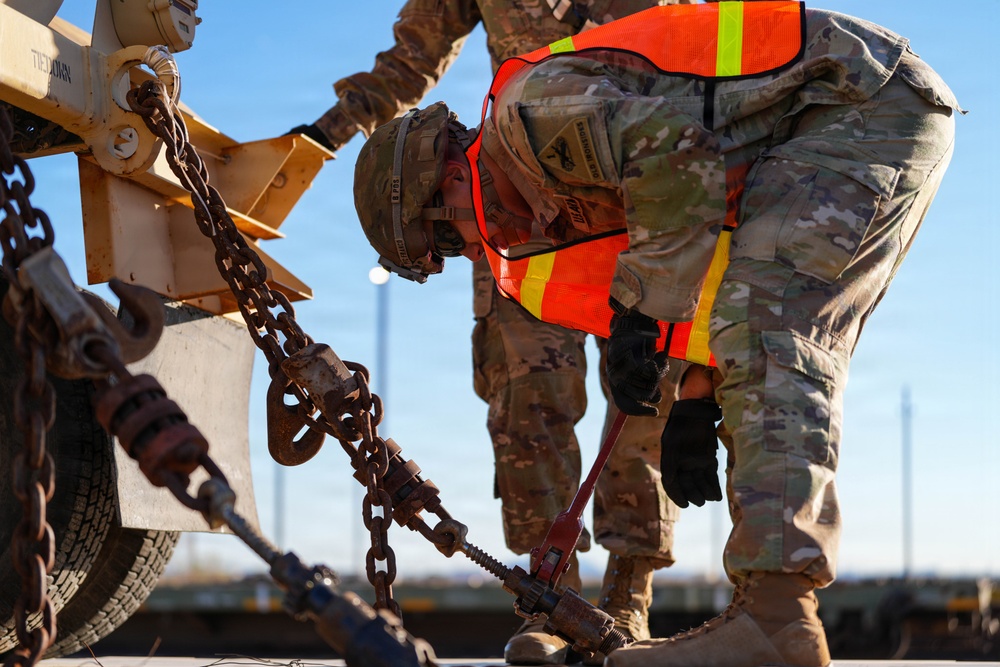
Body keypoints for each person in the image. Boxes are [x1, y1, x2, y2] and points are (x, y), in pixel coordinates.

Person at [351, 2, 960, 666]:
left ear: (444, 182)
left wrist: (642, 309)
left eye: (445, 238)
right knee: (768, 328)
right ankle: (773, 618)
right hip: (843, 113)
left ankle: (776, 622)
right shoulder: (558, 194)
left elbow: (679, 149)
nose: (468, 251)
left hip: (851, 101)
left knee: (775, 332)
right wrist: (697, 391)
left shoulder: (532, 117)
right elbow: (719, 254)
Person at [287, 2, 698, 664]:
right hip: (512, 201)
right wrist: (322, 136)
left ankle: (628, 598)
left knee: (647, 392)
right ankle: (553, 598)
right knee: (525, 401)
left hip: (644, 175)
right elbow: (411, 58)